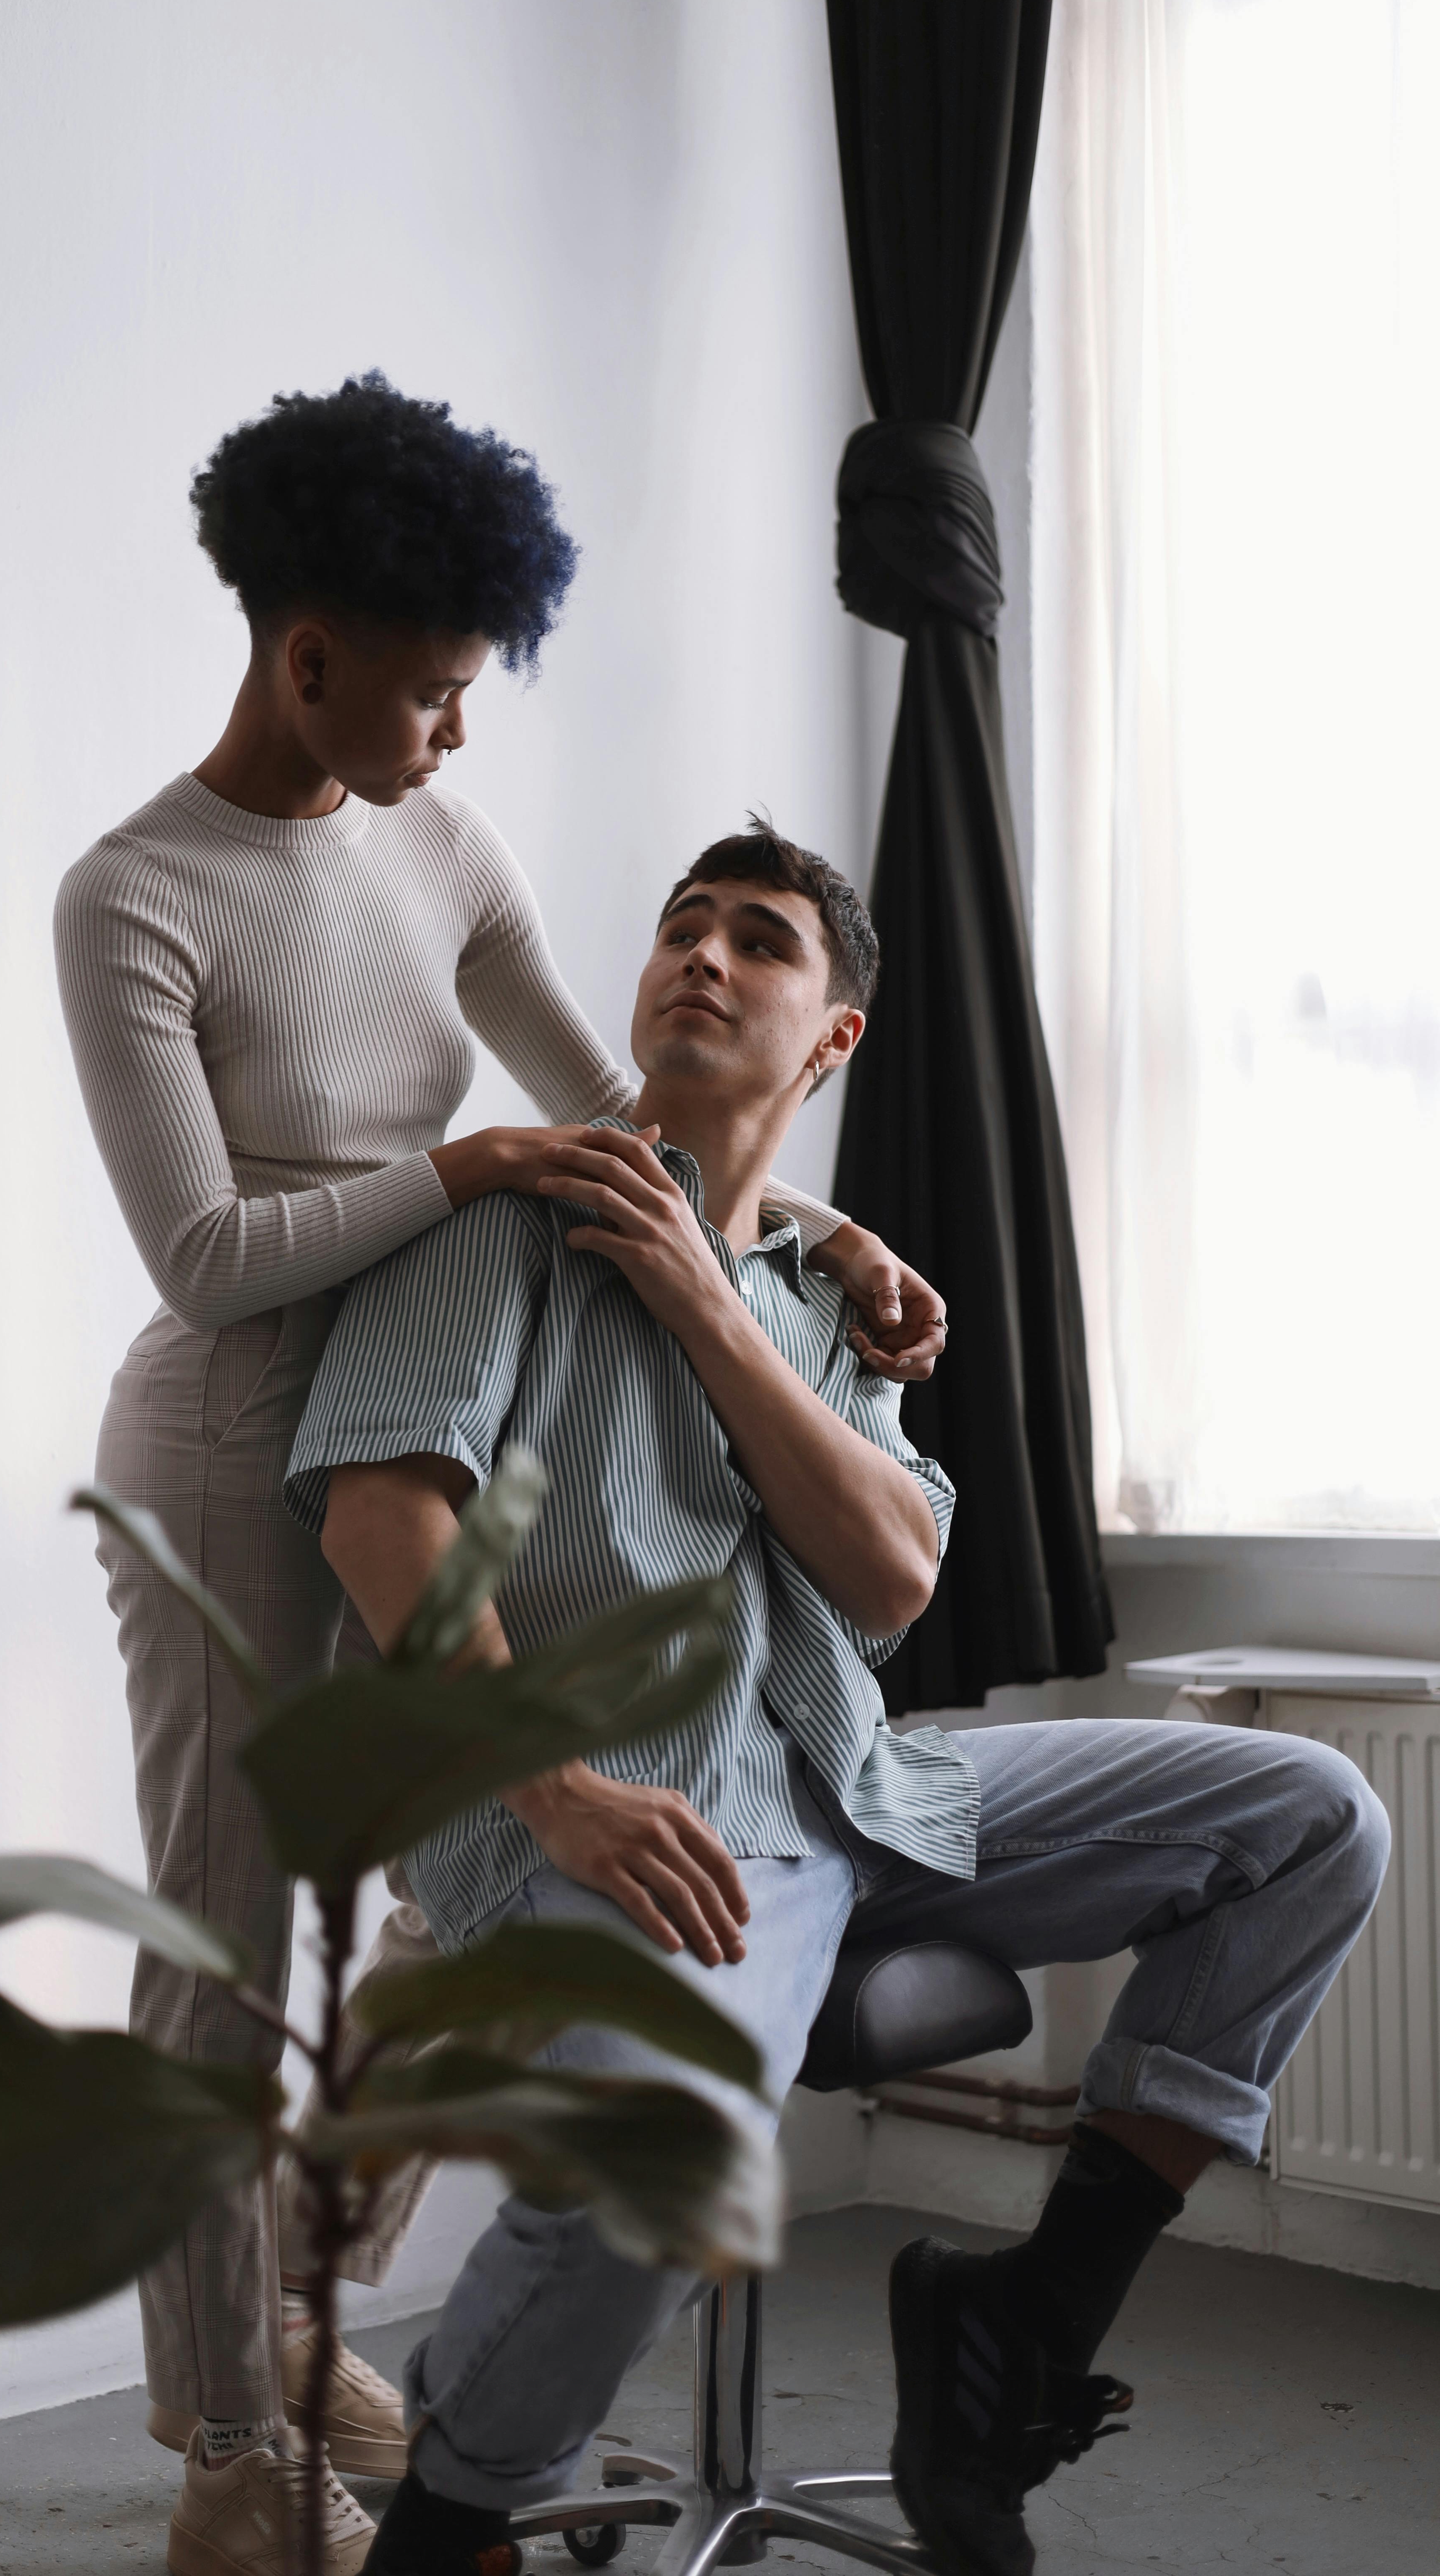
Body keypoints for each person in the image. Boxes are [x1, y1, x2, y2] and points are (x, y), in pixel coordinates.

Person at [53, 375, 946, 2576]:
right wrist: (452, 1170)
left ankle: (283, 2320)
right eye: (435, 697)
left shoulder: (442, 843)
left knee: (436, 1907)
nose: (456, 743)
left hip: (443, 1408)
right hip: (233, 1436)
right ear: (310, 659)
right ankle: (228, 2454)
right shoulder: (137, 898)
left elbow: (615, 1113)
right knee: (239, 1944)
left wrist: (827, 1237)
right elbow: (203, 1250)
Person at [286, 825, 1391, 2576]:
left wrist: (713, 1309)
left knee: (1308, 1816)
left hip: (864, 1786)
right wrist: (555, 1791)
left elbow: (884, 1580)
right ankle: (455, 2513)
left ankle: (1013, 2332)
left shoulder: (837, 1302)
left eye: (756, 942)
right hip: (628, 1814)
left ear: (833, 1036)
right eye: (675, 932)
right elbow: (379, 1523)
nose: (699, 962)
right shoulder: (495, 1226)